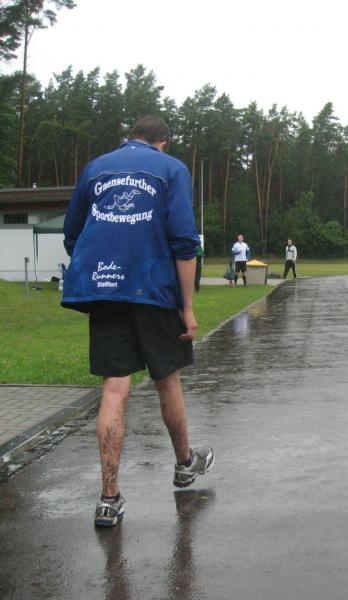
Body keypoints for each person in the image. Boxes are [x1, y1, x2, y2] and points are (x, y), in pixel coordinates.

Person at [61, 116, 215, 527]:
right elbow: (185, 242)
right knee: (167, 379)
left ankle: (108, 498)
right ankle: (184, 463)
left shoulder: (96, 168)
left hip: (107, 291)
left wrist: (103, 269)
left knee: (114, 387)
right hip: (154, 290)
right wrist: (187, 307)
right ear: (162, 143)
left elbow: (73, 234)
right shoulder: (171, 169)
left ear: (131, 137)